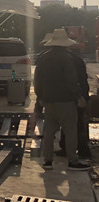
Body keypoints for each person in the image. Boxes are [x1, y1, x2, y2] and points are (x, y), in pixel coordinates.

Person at [34, 28, 90, 171]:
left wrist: (40, 97)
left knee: (49, 132)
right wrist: (79, 97)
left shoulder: (43, 58)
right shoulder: (67, 58)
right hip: (66, 101)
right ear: (65, 44)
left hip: (48, 101)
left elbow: (37, 80)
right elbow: (71, 80)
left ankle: (47, 161)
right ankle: (72, 161)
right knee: (70, 131)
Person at [57, 38, 92, 161]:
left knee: (72, 124)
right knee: (77, 123)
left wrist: (78, 96)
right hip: (79, 95)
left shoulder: (66, 60)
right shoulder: (77, 59)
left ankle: (78, 149)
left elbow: (71, 81)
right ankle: (79, 149)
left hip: (73, 96)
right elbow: (82, 80)